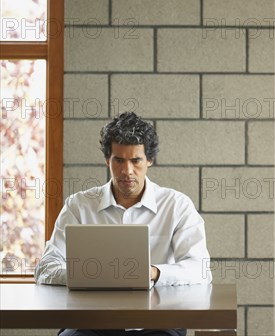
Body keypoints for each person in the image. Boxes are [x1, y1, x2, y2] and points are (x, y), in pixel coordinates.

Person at [34, 112, 212, 336]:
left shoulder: (177, 205)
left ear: (149, 160)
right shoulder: (79, 206)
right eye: (119, 160)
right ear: (108, 160)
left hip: (158, 324)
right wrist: (91, 274)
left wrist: (154, 273)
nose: (127, 171)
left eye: (135, 160)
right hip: (91, 323)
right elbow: (45, 268)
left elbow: (201, 270)